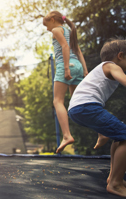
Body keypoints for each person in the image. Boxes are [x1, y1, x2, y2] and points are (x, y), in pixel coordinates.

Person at [68, 39, 126, 197]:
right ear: (120, 56)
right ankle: (116, 183)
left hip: (77, 108)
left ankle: (113, 178)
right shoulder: (112, 66)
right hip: (86, 107)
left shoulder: (100, 69)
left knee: (120, 136)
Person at [43, 11, 88, 153]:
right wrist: (85, 70)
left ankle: (67, 135)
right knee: (78, 103)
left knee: (58, 101)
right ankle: (101, 131)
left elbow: (65, 47)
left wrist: (67, 68)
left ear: (52, 20)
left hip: (66, 65)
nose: (47, 28)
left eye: (47, 25)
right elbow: (79, 51)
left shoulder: (57, 30)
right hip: (78, 67)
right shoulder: (69, 31)